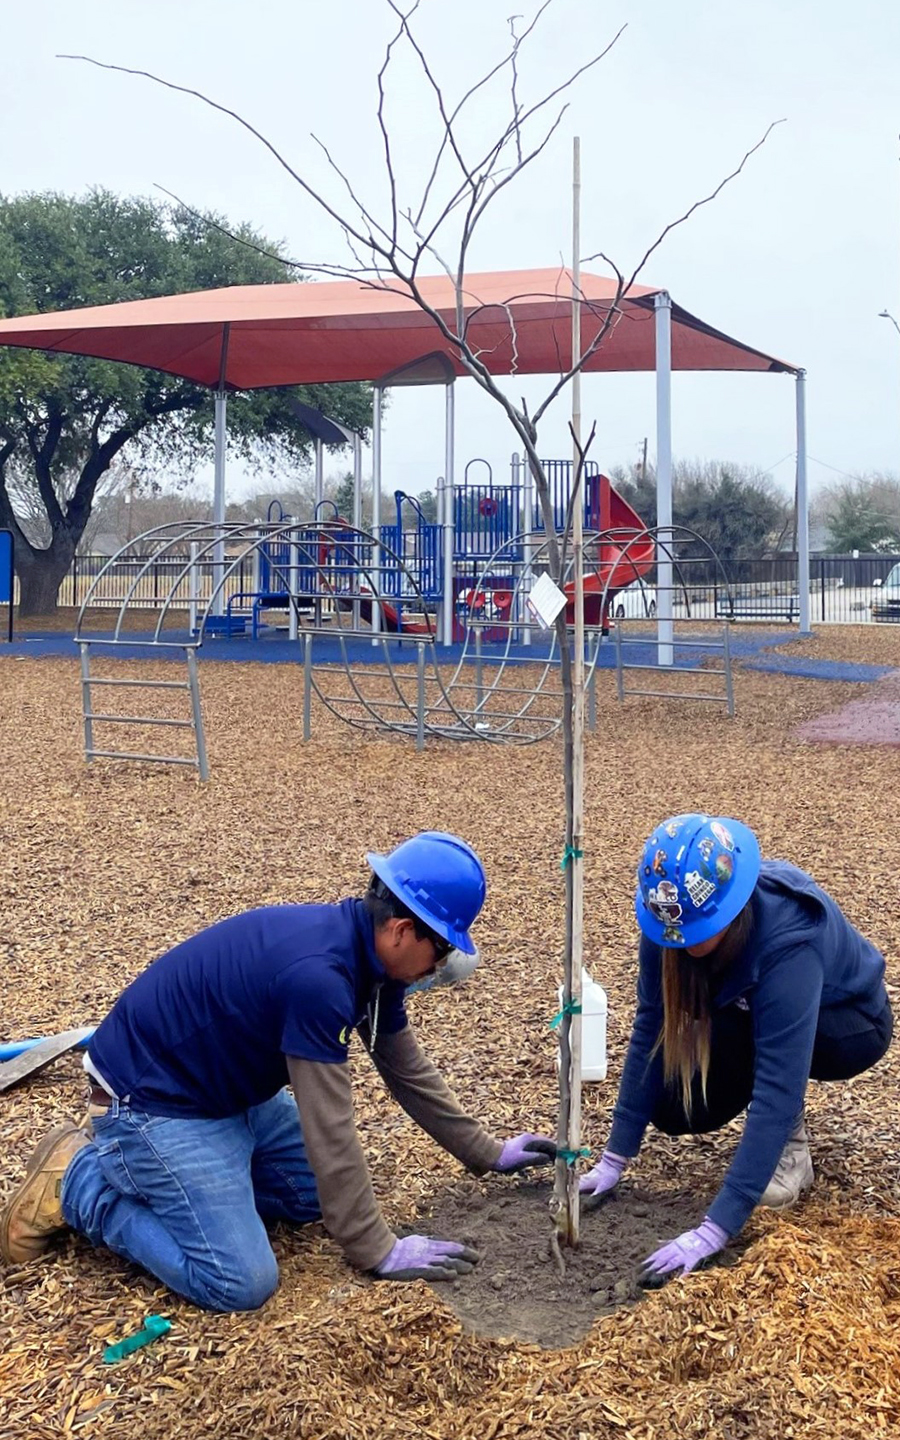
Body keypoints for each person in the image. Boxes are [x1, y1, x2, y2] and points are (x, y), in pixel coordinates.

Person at [0, 831, 556, 1310]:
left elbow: (403, 1067)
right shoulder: (319, 979)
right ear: (403, 930)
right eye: (439, 951)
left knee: (312, 1198)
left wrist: (487, 1152)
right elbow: (330, 1126)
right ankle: (80, 1183)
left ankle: (202, 1182)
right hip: (152, 1104)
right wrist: (376, 1249)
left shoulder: (371, 960)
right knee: (241, 1282)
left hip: (221, 1090)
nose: (437, 969)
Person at [579, 813, 892, 1286]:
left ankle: (789, 1145)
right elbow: (649, 1027)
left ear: (731, 907)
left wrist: (714, 1229)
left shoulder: (789, 936)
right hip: (751, 1004)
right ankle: (751, 1046)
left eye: (699, 933)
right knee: (673, 1106)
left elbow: (777, 1087)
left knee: (774, 1061)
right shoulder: (669, 922)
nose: (683, 946)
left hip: (848, 1024)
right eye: (675, 937)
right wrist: (615, 1157)